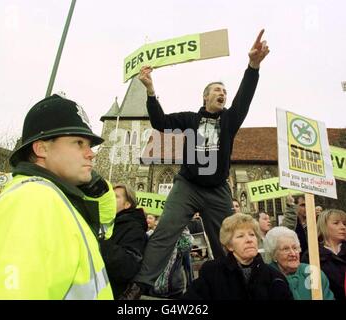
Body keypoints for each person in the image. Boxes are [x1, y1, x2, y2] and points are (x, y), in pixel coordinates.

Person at [121, 29, 270, 299]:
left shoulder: (229, 121)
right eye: (217, 90)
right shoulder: (190, 119)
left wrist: (253, 66)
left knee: (229, 237)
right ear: (205, 97)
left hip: (217, 190)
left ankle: (238, 285)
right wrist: (151, 90)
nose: (222, 93)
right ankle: (139, 286)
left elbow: (244, 98)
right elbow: (160, 123)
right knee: (165, 230)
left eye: (224, 91)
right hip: (187, 186)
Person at [0, 94, 113, 299]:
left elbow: (105, 224)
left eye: (89, 145)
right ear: (41, 149)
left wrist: (97, 189)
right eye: (79, 143)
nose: (91, 154)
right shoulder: (32, 201)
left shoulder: (54, 199)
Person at [181, 214, 293, 300]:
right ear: (229, 245)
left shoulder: (275, 277)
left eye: (252, 234)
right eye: (240, 236)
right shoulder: (212, 272)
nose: (249, 240)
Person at [100, 184, 148, 299]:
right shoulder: (106, 222)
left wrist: (99, 243)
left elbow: (127, 267)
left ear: (127, 205)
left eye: (116, 196)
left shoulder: (134, 228)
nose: (110, 198)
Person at [263, 226, 334, 300]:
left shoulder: (312, 272)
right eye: (286, 249)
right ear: (273, 254)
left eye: (295, 248)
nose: (293, 254)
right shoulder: (267, 277)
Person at [302, 209, 346, 300]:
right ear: (323, 226)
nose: (343, 227)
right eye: (336, 223)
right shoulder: (312, 255)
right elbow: (310, 288)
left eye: (344, 224)